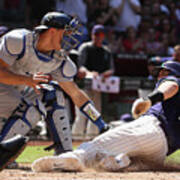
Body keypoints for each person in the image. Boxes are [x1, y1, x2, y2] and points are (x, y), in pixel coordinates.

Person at [0, 11, 109, 170]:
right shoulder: (19, 40)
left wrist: (100, 123)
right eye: (65, 33)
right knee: (32, 108)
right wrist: (28, 81)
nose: (68, 38)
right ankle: (3, 155)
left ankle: (64, 155)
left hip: (16, 92)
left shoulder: (59, 60)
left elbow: (76, 94)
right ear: (52, 31)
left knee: (53, 94)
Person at [32, 60, 180, 172]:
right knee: (117, 163)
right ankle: (121, 161)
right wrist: (101, 124)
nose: (160, 75)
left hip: (153, 129)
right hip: (160, 153)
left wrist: (151, 99)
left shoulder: (172, 80)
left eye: (163, 72)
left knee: (96, 146)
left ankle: (72, 158)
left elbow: (171, 86)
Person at [72, 24, 114, 140]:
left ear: (103, 36)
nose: (98, 37)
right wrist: (90, 73)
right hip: (84, 85)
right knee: (82, 110)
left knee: (95, 111)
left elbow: (111, 69)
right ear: (92, 35)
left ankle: (92, 136)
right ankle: (77, 136)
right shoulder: (85, 47)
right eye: (96, 34)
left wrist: (106, 73)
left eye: (100, 35)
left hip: (99, 86)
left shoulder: (106, 51)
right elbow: (80, 67)